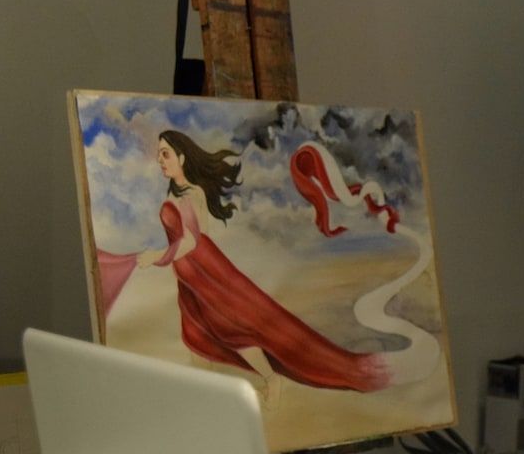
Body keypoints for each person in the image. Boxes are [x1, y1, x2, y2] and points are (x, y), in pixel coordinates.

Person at [133, 130, 392, 402]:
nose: (160, 160)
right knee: (197, 332)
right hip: (189, 274)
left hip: (204, 271)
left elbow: (192, 240)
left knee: (231, 329)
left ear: (182, 158)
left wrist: (157, 257)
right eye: (159, 154)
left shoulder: (190, 194)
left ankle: (271, 379)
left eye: (166, 154)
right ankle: (204, 394)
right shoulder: (177, 194)